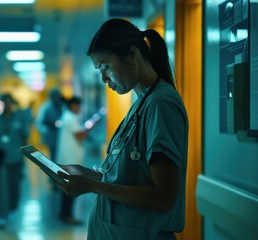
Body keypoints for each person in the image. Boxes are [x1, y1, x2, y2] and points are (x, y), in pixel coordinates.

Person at [55, 18, 189, 240]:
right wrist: (85, 174)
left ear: (132, 55)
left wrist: (92, 186)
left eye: (106, 67)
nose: (104, 78)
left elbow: (163, 195)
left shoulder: (160, 104)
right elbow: (129, 178)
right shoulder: (141, 104)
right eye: (99, 70)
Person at [0, 93, 29, 229]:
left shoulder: (20, 118)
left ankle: (12, 210)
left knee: (14, 186)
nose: (8, 105)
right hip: (1, 158)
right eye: (5, 102)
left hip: (16, 158)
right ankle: (2, 215)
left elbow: (25, 138)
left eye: (10, 102)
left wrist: (27, 156)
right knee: (2, 187)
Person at [55, 96, 89, 225]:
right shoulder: (70, 118)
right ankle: (67, 216)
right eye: (78, 106)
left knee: (66, 189)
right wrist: (91, 126)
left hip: (68, 158)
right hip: (70, 159)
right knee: (71, 188)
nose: (79, 109)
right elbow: (80, 135)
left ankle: (64, 214)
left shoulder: (67, 116)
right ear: (73, 105)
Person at [36, 88, 64, 162]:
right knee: (54, 156)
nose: (57, 98)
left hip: (61, 136)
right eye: (55, 96)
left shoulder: (61, 107)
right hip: (52, 136)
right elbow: (42, 121)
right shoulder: (47, 108)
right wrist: (53, 124)